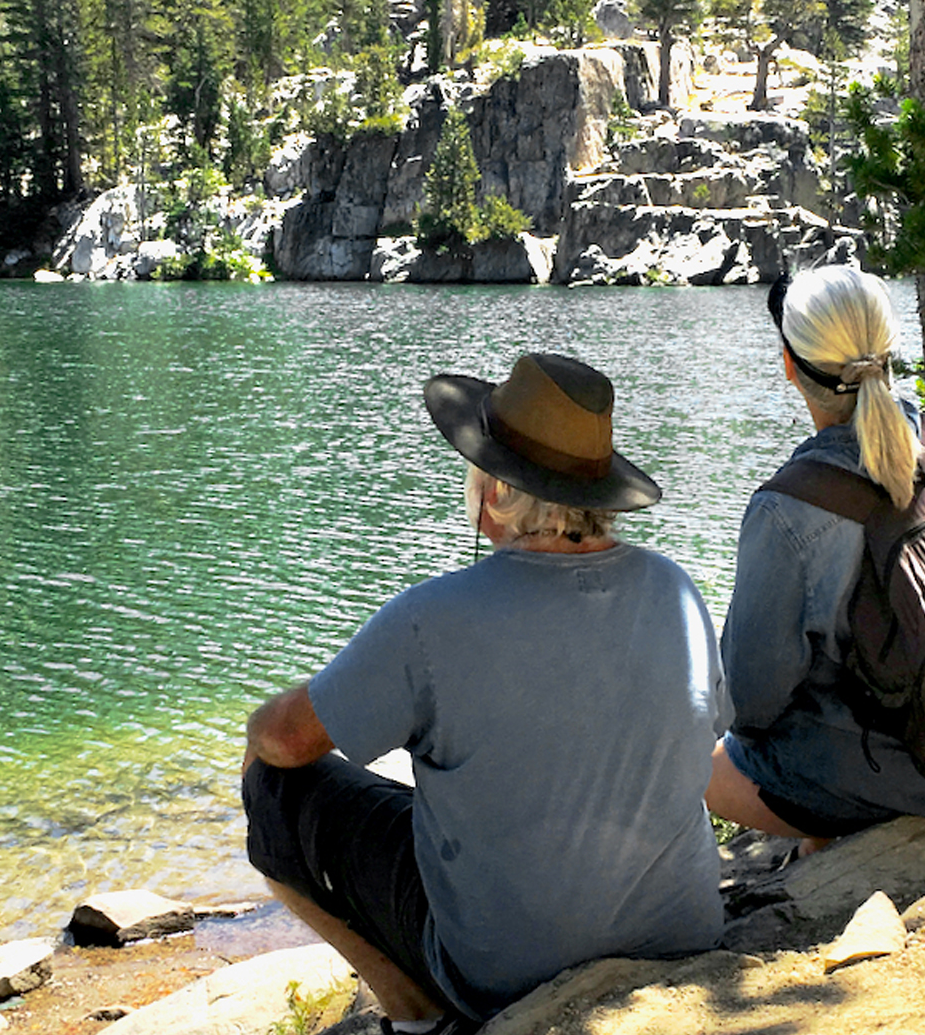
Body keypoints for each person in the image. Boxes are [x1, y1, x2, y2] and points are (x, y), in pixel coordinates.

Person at [242, 353, 730, 1034]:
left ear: (497, 494)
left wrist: (298, 703)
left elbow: (283, 741)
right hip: (683, 933)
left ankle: (415, 1015)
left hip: (500, 974)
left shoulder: (431, 618)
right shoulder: (676, 588)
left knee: (269, 782)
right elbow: (710, 727)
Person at [705, 265, 925, 851]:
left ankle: (835, 836)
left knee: (692, 757)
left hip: (896, 778)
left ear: (790, 366)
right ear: (890, 356)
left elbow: (753, 702)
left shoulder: (787, 509)